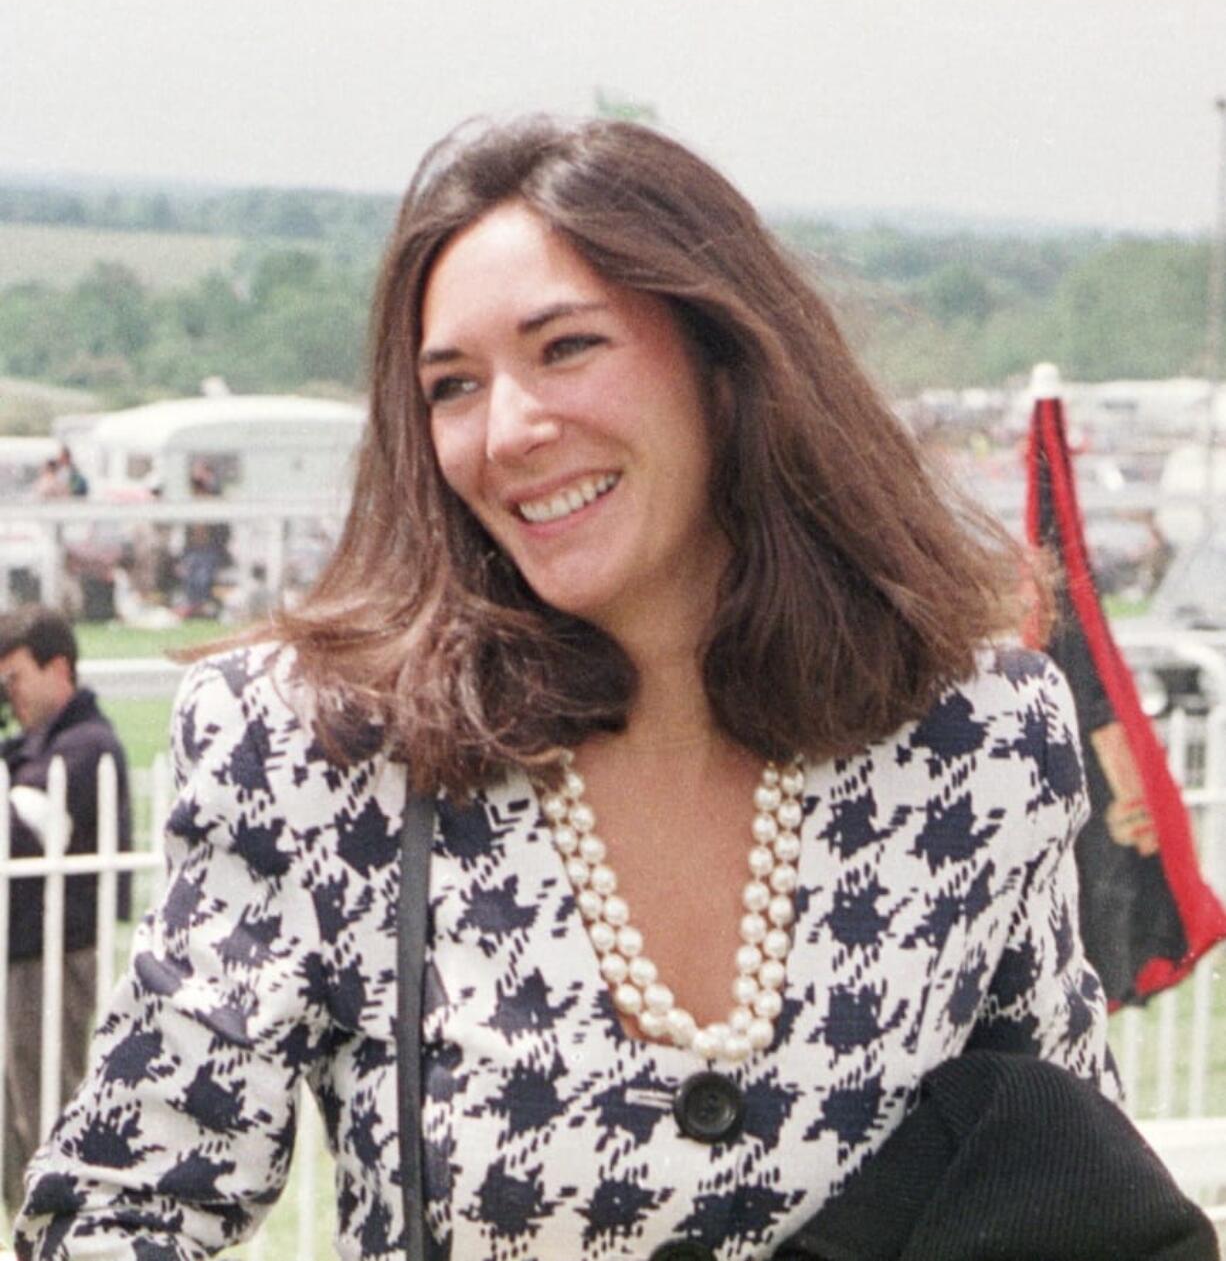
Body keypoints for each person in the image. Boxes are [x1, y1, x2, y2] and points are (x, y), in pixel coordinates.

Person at [16, 118, 1119, 1259]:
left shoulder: (975, 739)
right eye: (451, 385)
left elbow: (1075, 1198)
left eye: (565, 348)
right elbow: (115, 1211)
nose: (508, 431)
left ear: (722, 358)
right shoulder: (315, 750)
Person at [0, 606, 132, 1215]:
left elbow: (31, 830)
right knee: (15, 1111)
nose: (10, 693)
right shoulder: (34, 747)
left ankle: (61, 1227)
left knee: (50, 1102)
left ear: (59, 669)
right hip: (23, 952)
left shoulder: (88, 745)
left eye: (15, 678)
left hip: (58, 955)